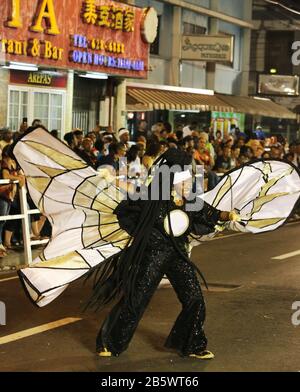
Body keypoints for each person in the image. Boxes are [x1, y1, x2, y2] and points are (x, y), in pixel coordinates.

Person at [13, 127, 300, 361]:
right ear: (172, 178)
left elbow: (206, 211)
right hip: (150, 254)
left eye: (190, 180)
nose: (189, 185)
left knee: (194, 300)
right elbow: (126, 204)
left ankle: (189, 343)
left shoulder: (188, 200)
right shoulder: (150, 200)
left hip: (175, 255)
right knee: (136, 301)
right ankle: (110, 342)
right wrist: (108, 182)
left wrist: (227, 214)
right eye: (185, 180)